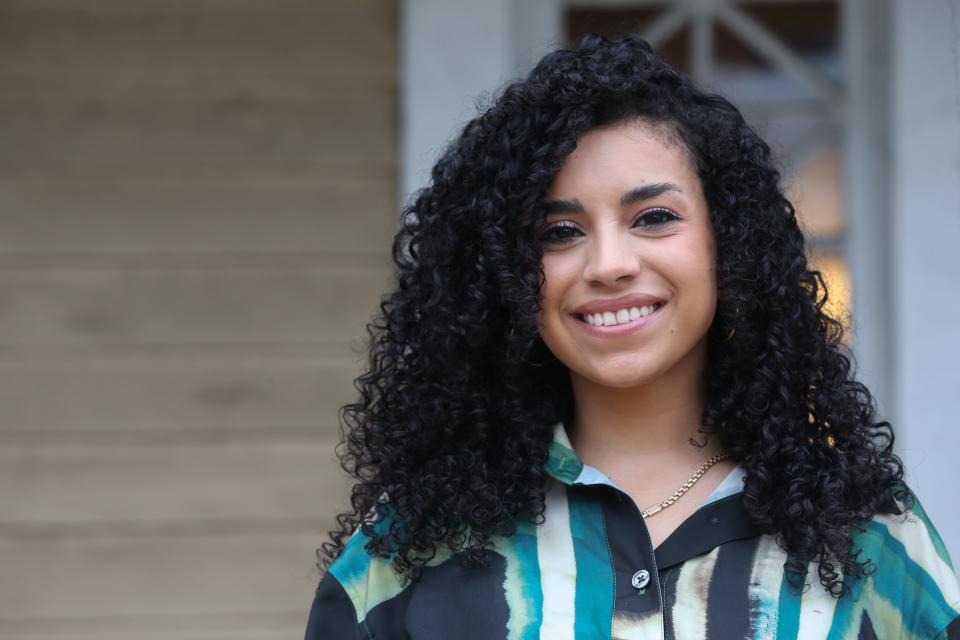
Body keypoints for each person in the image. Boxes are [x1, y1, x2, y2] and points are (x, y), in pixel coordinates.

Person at [304, 34, 960, 639]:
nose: (609, 264)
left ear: (726, 244)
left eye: (653, 217)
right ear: (504, 275)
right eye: (559, 232)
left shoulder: (867, 537)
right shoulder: (410, 545)